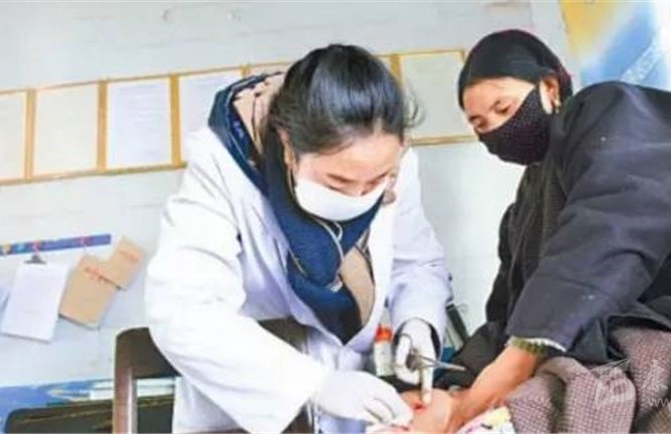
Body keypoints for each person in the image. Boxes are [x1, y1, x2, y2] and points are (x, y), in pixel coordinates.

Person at [445, 30, 671, 430]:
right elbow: (509, 311)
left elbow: (617, 216)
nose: (496, 129)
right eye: (480, 124)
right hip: (599, 340)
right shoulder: (521, 212)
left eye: (503, 107)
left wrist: (524, 351)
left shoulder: (607, 112)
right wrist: (452, 379)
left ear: (549, 87)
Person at [145, 44, 452, 433]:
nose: (360, 196)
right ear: (289, 147)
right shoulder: (221, 162)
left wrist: (418, 321)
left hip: (351, 404)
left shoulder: (395, 162)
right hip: (247, 407)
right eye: (337, 182)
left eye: (376, 181)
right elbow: (184, 310)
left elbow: (417, 261)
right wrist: (313, 383)